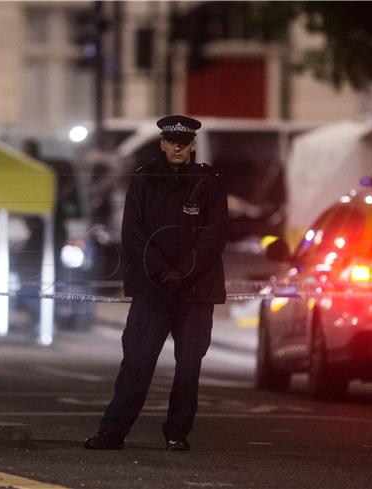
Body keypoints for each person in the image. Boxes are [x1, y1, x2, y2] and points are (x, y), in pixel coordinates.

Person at [84, 115, 227, 451]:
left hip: (194, 292)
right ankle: (113, 432)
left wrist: (183, 272)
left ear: (192, 145)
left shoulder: (209, 182)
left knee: (188, 368)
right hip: (153, 289)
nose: (177, 148)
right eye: (171, 142)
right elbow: (132, 234)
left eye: (184, 142)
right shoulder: (144, 180)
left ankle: (177, 433)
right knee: (136, 362)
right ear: (163, 144)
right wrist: (164, 272)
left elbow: (215, 236)